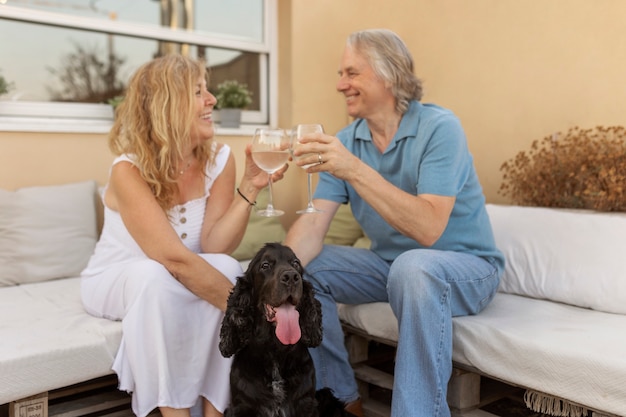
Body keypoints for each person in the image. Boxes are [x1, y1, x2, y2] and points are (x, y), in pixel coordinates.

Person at [285, 29, 504, 417]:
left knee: (414, 266)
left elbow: (428, 229)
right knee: (303, 270)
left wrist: (354, 169)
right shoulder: (346, 141)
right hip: (390, 267)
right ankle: (340, 400)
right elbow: (313, 227)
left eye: (352, 73)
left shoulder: (440, 129)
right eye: (340, 74)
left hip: (465, 267)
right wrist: (274, 273)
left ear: (389, 73)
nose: (340, 84)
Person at [80, 54, 286, 417]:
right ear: (167, 105)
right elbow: (172, 259)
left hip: (179, 273)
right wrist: (252, 311)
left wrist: (251, 188)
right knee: (154, 275)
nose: (212, 100)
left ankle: (215, 411)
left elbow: (214, 245)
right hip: (121, 277)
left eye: (208, 90)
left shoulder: (220, 158)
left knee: (224, 264)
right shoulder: (128, 170)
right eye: (198, 92)